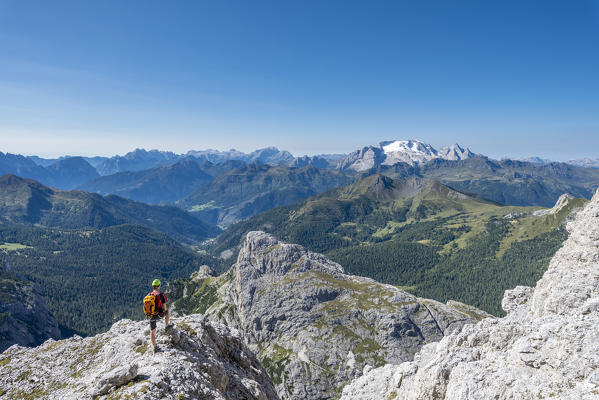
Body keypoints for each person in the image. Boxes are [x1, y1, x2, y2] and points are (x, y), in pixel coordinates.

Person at [147, 279, 171, 353]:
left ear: (153, 286)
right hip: (159, 315)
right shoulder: (161, 295)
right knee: (167, 311)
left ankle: (154, 347)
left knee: (152, 331)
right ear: (159, 286)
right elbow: (164, 307)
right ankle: (166, 326)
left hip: (150, 316)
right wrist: (165, 312)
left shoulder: (149, 295)